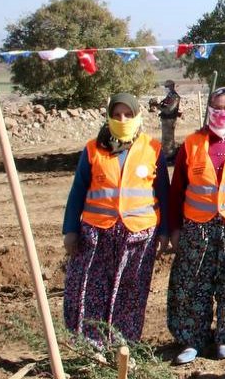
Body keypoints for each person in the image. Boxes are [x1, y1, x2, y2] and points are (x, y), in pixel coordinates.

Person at [62, 93, 169, 346]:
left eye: (128, 114)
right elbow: (77, 191)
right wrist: (70, 229)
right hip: (96, 234)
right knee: (91, 288)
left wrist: (165, 232)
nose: (122, 119)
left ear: (138, 116)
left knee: (131, 292)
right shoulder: (93, 149)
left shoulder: (153, 149)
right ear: (109, 117)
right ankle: (93, 346)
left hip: (139, 236)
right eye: (117, 114)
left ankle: (124, 346)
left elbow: (164, 194)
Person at [166, 87, 225, 364]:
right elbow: (177, 190)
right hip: (198, 228)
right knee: (193, 283)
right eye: (216, 108)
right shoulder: (192, 143)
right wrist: (174, 228)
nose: (221, 113)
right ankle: (192, 340)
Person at [158, 80, 182, 159]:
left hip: (170, 120)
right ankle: (166, 154)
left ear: (172, 86)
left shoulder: (175, 97)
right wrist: (159, 106)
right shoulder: (169, 96)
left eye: (167, 86)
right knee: (165, 139)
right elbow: (163, 105)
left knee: (168, 139)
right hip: (165, 119)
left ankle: (170, 155)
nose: (165, 88)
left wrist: (160, 108)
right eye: (165, 86)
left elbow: (169, 110)